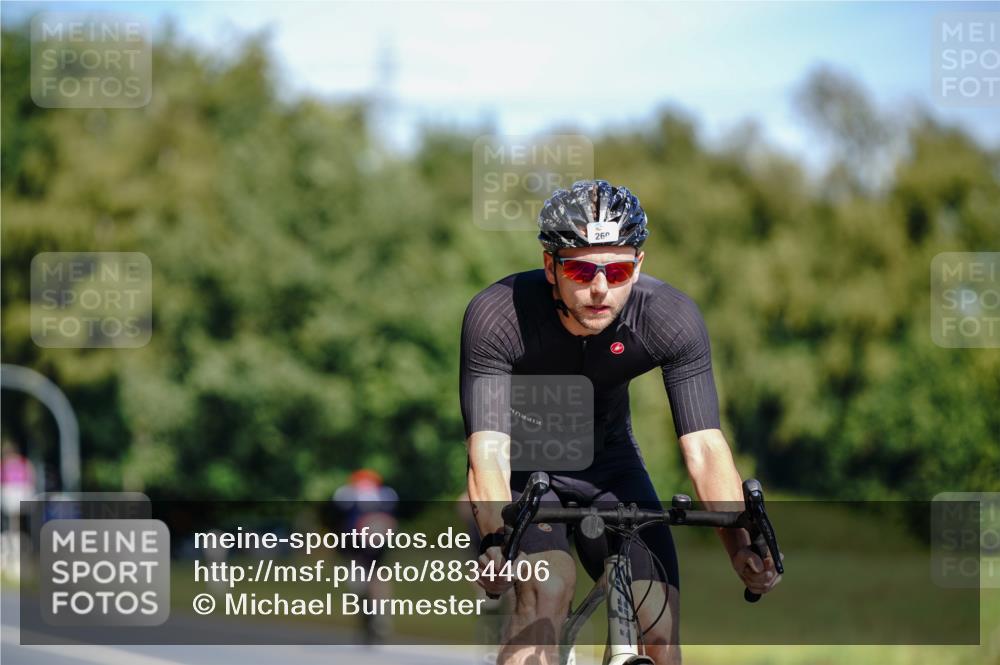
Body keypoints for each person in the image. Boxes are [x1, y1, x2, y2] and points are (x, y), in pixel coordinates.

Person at [460, 180, 781, 665]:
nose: (599, 288)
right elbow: (487, 453)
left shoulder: (669, 318)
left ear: (639, 265)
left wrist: (741, 545)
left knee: (659, 629)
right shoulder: (498, 315)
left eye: (618, 269)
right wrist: (494, 540)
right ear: (550, 265)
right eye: (581, 268)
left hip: (612, 468)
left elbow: (706, 451)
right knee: (547, 589)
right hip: (526, 473)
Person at [332, 469, 398, 643]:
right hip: (357, 549)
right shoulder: (351, 497)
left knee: (373, 580)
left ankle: (378, 616)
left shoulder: (378, 498)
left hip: (371, 549)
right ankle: (375, 616)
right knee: (364, 583)